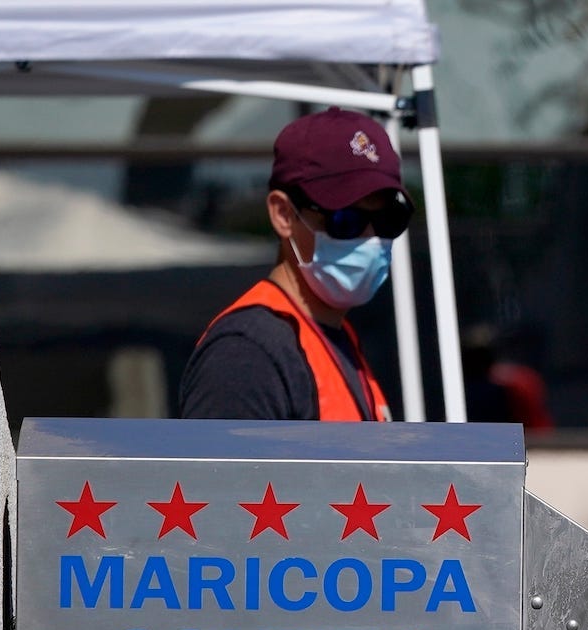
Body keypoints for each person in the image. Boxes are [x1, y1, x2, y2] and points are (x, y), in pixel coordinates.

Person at [177, 108, 413, 420]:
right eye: (345, 220)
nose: (370, 238)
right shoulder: (246, 357)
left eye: (387, 220)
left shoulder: (337, 340)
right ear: (283, 215)